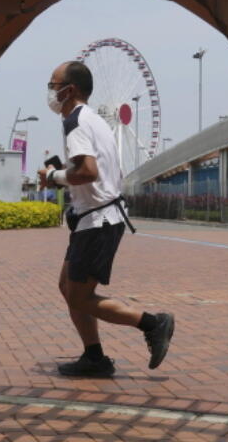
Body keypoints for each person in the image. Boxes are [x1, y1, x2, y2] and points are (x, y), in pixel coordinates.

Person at [38, 61, 175, 377]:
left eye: (52, 84)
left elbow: (87, 171)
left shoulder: (75, 122)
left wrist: (54, 175)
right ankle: (94, 357)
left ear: (69, 90)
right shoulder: (94, 120)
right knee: (67, 286)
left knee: (79, 296)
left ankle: (153, 324)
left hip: (99, 221)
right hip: (96, 218)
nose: (49, 91)